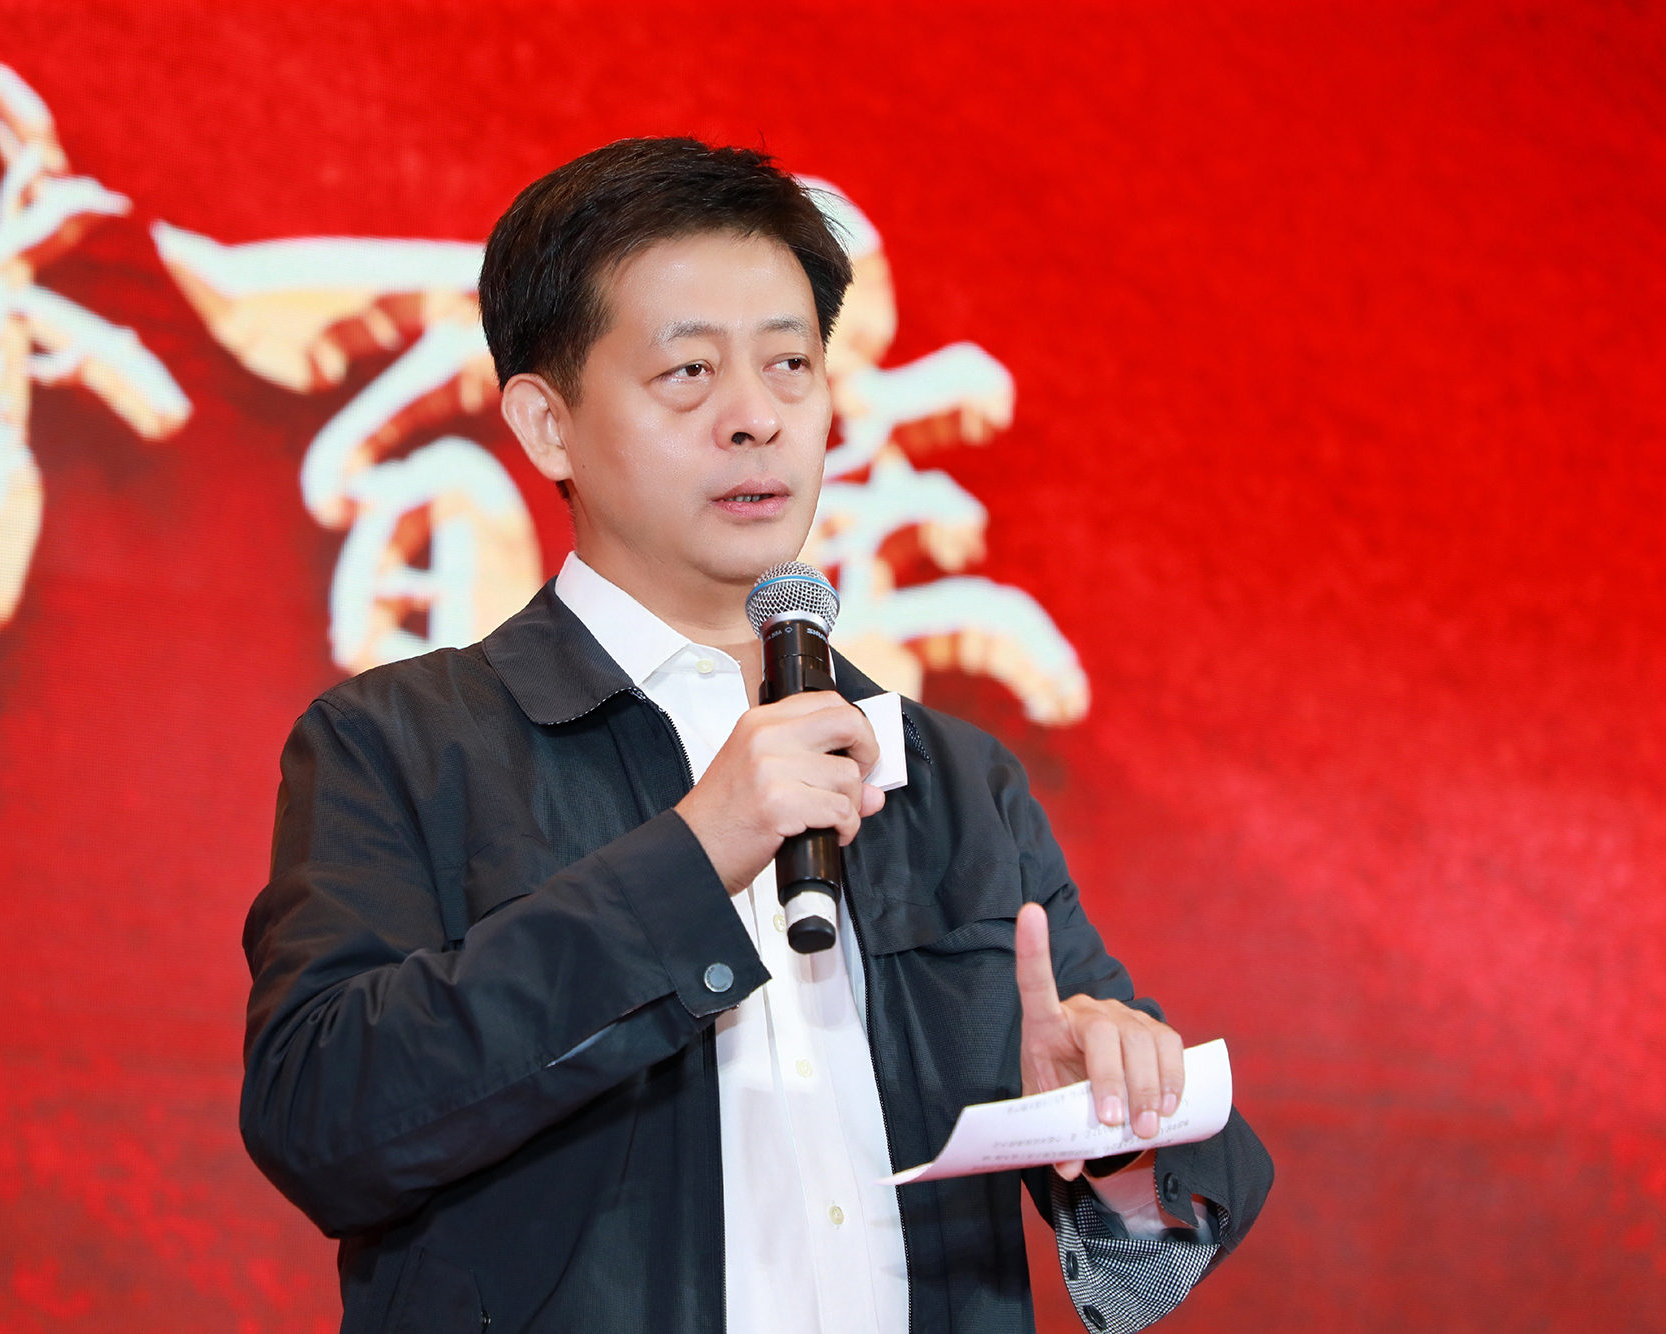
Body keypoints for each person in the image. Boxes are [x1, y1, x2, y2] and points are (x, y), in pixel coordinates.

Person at [240, 138, 1273, 1334]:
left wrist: (1109, 1134)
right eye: (688, 373)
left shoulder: (951, 777)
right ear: (546, 424)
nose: (757, 418)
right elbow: (322, 1123)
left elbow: (1143, 1268)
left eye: (791, 364)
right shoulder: (403, 744)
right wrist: (695, 855)